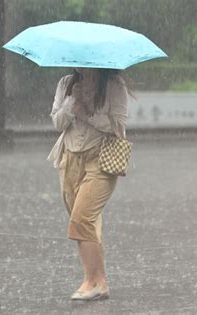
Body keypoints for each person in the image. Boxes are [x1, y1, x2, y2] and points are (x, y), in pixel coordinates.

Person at [47, 67, 129, 300]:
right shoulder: (66, 83)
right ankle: (97, 281)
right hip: (69, 159)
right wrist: (71, 102)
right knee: (86, 223)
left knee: (81, 218)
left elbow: (117, 126)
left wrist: (87, 114)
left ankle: (92, 282)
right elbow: (58, 122)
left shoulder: (114, 85)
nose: (81, 65)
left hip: (100, 159)